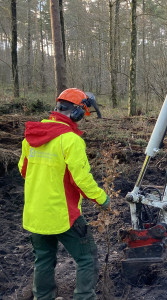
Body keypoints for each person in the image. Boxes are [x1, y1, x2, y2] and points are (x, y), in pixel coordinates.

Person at [18, 88, 110, 300]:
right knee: (87, 257)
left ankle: (43, 297)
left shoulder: (30, 138)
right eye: (83, 114)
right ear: (77, 112)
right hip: (63, 215)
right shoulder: (70, 140)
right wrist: (101, 198)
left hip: (35, 214)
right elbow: (82, 180)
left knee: (43, 260)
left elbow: (24, 170)